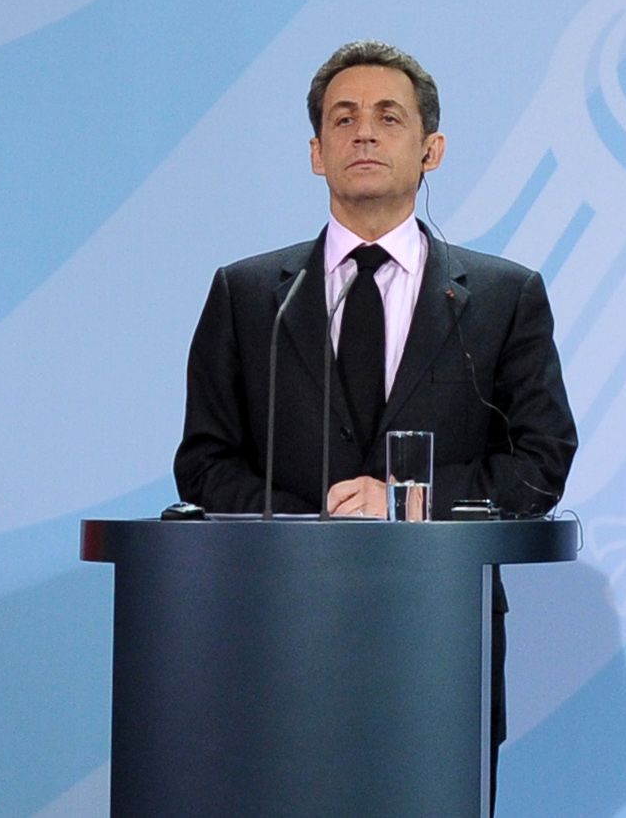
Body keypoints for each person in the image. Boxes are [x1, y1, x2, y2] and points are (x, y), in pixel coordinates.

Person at [175, 39, 577, 799]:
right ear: (316, 152)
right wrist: (308, 519)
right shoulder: (251, 293)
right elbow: (203, 460)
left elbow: (542, 460)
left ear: (432, 149)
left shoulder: (501, 295)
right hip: (278, 622)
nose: (364, 132)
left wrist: (410, 503)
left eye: (388, 117)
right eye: (343, 118)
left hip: (438, 627)